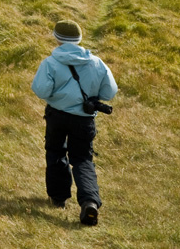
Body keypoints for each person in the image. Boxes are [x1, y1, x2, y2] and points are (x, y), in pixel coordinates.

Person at [30, 19, 117, 226]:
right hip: (84, 119)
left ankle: (59, 199)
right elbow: (109, 92)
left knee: (56, 152)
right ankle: (89, 202)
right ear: (79, 38)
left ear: (56, 37)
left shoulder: (50, 63)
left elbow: (41, 90)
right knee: (82, 159)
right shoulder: (97, 62)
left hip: (57, 116)